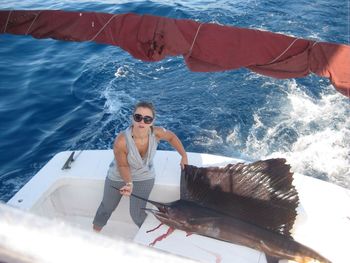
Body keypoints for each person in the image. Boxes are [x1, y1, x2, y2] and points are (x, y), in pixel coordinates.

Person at [93, 101, 188, 231]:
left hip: (144, 176)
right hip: (118, 175)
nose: (142, 122)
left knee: (136, 214)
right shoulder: (121, 141)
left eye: (147, 119)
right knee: (107, 207)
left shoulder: (157, 133)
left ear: (152, 122)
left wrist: (184, 155)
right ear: (132, 118)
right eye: (138, 117)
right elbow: (122, 166)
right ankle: (95, 233)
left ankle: (149, 237)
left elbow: (171, 137)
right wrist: (129, 183)